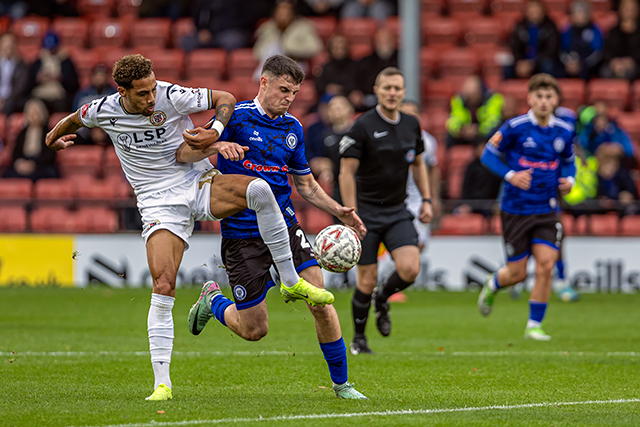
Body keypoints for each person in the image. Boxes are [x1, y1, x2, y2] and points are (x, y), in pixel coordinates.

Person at [44, 54, 332, 401]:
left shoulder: (171, 94)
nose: (152, 99)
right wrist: (52, 140)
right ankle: (162, 383)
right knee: (164, 284)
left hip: (198, 183)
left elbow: (224, 98)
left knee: (260, 189)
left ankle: (290, 280)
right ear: (122, 92)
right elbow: (74, 120)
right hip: (158, 203)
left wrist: (216, 132)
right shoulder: (103, 109)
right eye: (142, 94)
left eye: (153, 89)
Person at [181, 55, 368, 399]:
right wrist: (217, 144)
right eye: (283, 89)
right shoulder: (234, 117)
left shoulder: (293, 128)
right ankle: (213, 301)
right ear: (263, 83)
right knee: (255, 330)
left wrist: (338, 210)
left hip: (285, 225)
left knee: (321, 302)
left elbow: (306, 184)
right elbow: (185, 153)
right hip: (242, 233)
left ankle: (342, 384)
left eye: (294, 93)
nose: (288, 98)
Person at [339, 67, 433, 355]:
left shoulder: (412, 124)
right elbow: (346, 172)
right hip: (366, 213)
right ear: (377, 91)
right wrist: (350, 213)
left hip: (396, 210)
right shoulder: (362, 126)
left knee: (410, 268)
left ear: (404, 93)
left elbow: (418, 164)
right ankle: (359, 339)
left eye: (397, 88)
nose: (392, 93)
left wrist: (427, 199)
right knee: (365, 280)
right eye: (387, 88)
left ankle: (383, 299)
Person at [478, 73, 576, 341]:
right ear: (530, 98)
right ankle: (494, 282)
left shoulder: (565, 130)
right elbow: (487, 155)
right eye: (539, 96)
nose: (544, 101)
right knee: (517, 274)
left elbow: (569, 161)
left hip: (546, 208)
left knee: (546, 265)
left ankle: (534, 325)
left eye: (549, 96)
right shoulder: (514, 127)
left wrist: (570, 179)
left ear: (556, 100)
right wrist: (511, 175)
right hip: (515, 209)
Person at [399, 100, 441, 247]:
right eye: (404, 114)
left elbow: (433, 170)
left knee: (419, 243)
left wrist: (433, 197)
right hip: (394, 198)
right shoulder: (387, 138)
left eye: (412, 114)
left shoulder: (428, 141)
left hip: (417, 197)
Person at [253, 0, 322, 78]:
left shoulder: (303, 27)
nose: (283, 17)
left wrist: (290, 50)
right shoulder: (267, 28)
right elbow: (257, 51)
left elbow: (315, 48)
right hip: (270, 64)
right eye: (280, 14)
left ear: (292, 15)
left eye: (286, 14)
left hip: (295, 63)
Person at [2, 98, 58, 181]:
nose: (33, 116)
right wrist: (19, 162)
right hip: (24, 160)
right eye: (31, 113)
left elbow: (50, 155)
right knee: (7, 175)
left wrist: (34, 164)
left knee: (50, 174)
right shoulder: (22, 133)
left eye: (36, 113)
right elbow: (16, 152)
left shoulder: (48, 132)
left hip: (40, 164)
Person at [506, 0, 561, 79]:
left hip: (541, 61)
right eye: (532, 9)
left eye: (537, 9)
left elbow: (551, 50)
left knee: (548, 65)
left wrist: (533, 63)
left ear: (543, 11)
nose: (534, 12)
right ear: (526, 12)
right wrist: (520, 62)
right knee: (507, 68)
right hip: (523, 61)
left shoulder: (550, 27)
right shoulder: (519, 26)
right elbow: (514, 47)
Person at [27, 31, 79, 112]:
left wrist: (60, 78)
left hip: (59, 96)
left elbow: (74, 84)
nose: (51, 51)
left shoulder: (66, 61)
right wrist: (38, 78)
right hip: (40, 94)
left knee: (63, 105)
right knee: (33, 104)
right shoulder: (38, 62)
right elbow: (28, 83)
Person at [446, 75, 504, 148]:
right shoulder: (458, 99)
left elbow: (494, 121)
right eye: (469, 97)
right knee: (449, 136)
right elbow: (454, 119)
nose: (472, 100)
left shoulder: (493, 99)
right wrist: (461, 130)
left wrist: (478, 130)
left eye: (474, 96)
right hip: (465, 132)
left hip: (483, 133)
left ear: (480, 91)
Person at [560, 0, 604, 80]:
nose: (578, 15)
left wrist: (582, 64)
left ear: (588, 14)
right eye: (576, 12)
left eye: (581, 12)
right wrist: (568, 62)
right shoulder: (566, 30)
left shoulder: (595, 30)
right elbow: (562, 50)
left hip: (588, 66)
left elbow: (597, 53)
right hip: (570, 63)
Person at [600, 0, 640, 80]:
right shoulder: (613, 31)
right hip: (615, 65)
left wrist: (631, 62)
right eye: (626, 8)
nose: (629, 11)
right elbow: (606, 52)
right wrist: (614, 62)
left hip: (636, 64)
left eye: (631, 8)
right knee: (605, 72)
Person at [0, 33, 28, 115]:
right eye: (5, 43)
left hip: (13, 100)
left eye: (11, 43)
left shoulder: (21, 65)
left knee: (13, 103)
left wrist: (6, 100)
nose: (8, 46)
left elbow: (20, 87)